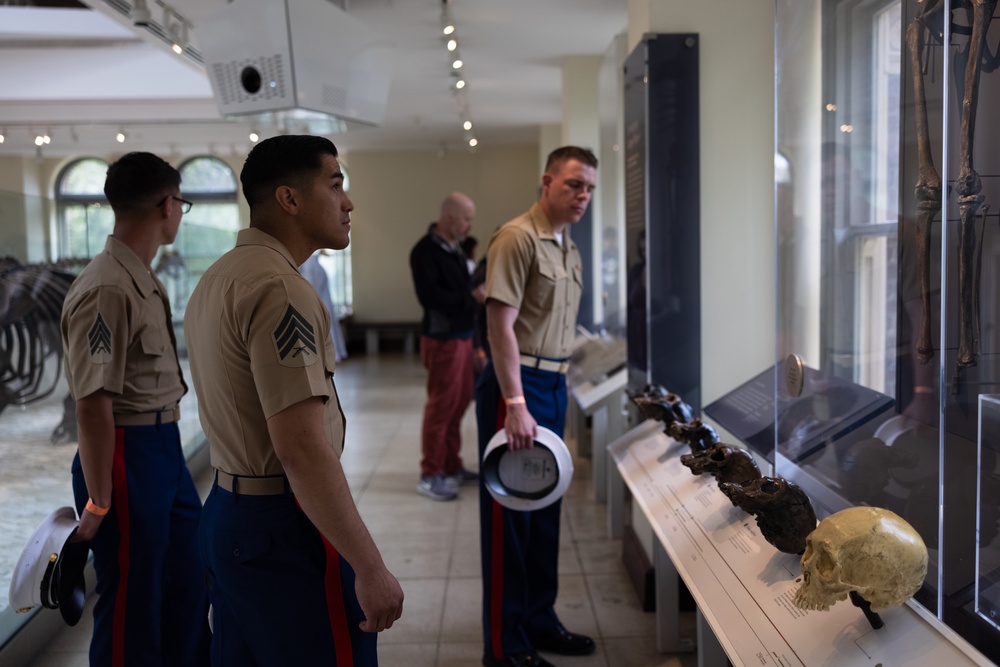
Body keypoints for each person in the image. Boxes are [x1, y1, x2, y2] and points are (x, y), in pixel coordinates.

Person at [183, 135, 404, 665]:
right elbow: (300, 449)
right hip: (281, 524)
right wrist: (371, 568)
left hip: (228, 511)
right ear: (289, 198)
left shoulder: (218, 278)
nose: (348, 203)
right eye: (335, 184)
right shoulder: (280, 287)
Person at [60, 151, 210, 666]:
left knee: (188, 577)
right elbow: (92, 403)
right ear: (168, 205)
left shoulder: (140, 277)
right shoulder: (106, 286)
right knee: (132, 598)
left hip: (161, 447)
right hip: (125, 453)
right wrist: (99, 499)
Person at [476, 145, 599, 667]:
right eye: (574, 184)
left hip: (554, 387)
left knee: (545, 511)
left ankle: (537, 618)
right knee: (510, 521)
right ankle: (505, 647)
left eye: (590, 188)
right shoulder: (516, 238)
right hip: (518, 388)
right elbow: (499, 326)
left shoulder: (566, 247)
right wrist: (514, 403)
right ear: (547, 181)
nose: (583, 195)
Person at [409, 192, 482, 501]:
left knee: (459, 402)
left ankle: (452, 465)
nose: (469, 225)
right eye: (466, 219)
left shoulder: (454, 248)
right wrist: (472, 298)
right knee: (441, 406)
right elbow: (431, 298)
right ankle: (431, 473)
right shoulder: (424, 251)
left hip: (463, 336)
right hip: (443, 339)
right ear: (451, 218)